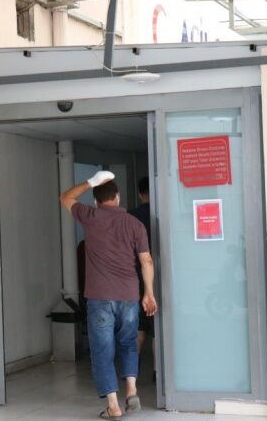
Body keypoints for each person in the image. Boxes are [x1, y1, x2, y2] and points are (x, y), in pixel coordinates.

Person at [60, 171, 157, 421]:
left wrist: (90, 182)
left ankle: (113, 406)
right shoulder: (135, 224)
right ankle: (131, 389)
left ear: (96, 200)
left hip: (100, 296)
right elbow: (146, 260)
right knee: (128, 343)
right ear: (118, 197)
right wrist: (149, 293)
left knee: (102, 350)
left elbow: (65, 197)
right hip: (129, 295)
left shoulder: (90, 216)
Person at [127, 177, 156, 381]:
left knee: (138, 327)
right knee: (157, 330)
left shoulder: (130, 217)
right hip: (160, 277)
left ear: (139, 193)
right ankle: (157, 372)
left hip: (135, 278)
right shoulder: (161, 214)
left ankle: (132, 372)